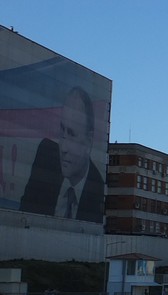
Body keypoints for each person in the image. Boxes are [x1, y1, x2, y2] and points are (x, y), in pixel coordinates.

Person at [20, 86, 105, 221]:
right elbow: (24, 214)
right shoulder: (46, 157)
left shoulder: (98, 188)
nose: (63, 148)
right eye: (62, 131)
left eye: (71, 135)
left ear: (88, 142)